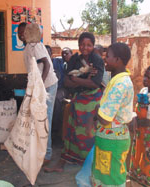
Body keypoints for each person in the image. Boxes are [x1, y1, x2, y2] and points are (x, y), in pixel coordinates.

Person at [44, 32, 104, 172]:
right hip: (77, 100)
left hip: (92, 101)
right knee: (71, 132)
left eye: (89, 45)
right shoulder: (74, 60)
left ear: (93, 46)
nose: (85, 47)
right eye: (82, 44)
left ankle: (89, 163)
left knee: (88, 133)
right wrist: (83, 80)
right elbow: (65, 81)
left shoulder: (97, 60)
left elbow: (95, 84)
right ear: (78, 45)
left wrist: (76, 80)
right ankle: (62, 163)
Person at [91, 42, 134, 187]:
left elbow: (104, 118)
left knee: (112, 180)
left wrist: (97, 108)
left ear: (118, 60)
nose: (104, 59)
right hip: (109, 139)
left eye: (107, 56)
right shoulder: (116, 80)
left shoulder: (120, 84)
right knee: (105, 178)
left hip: (113, 141)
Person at [18, 23, 58, 164]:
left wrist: (40, 86)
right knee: (37, 120)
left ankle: (47, 154)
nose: (21, 34)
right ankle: (39, 151)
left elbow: (46, 64)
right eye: (19, 32)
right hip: (40, 86)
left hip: (47, 86)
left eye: (24, 31)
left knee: (45, 120)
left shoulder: (36, 45)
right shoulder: (29, 47)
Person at [45, 45, 73, 138]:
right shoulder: (56, 61)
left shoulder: (75, 63)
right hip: (55, 87)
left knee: (56, 98)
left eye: (67, 53)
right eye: (63, 53)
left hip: (64, 89)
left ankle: (55, 128)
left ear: (71, 54)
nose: (64, 55)